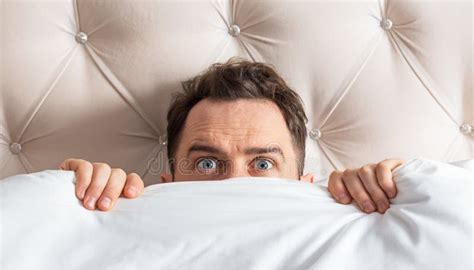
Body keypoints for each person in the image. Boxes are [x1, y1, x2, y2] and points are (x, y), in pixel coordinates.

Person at [59, 58, 404, 214]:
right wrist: (65, 199)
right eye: (207, 163)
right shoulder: (127, 225)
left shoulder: (346, 226)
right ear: (168, 183)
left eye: (263, 163)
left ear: (305, 183)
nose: (235, 181)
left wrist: (398, 189)